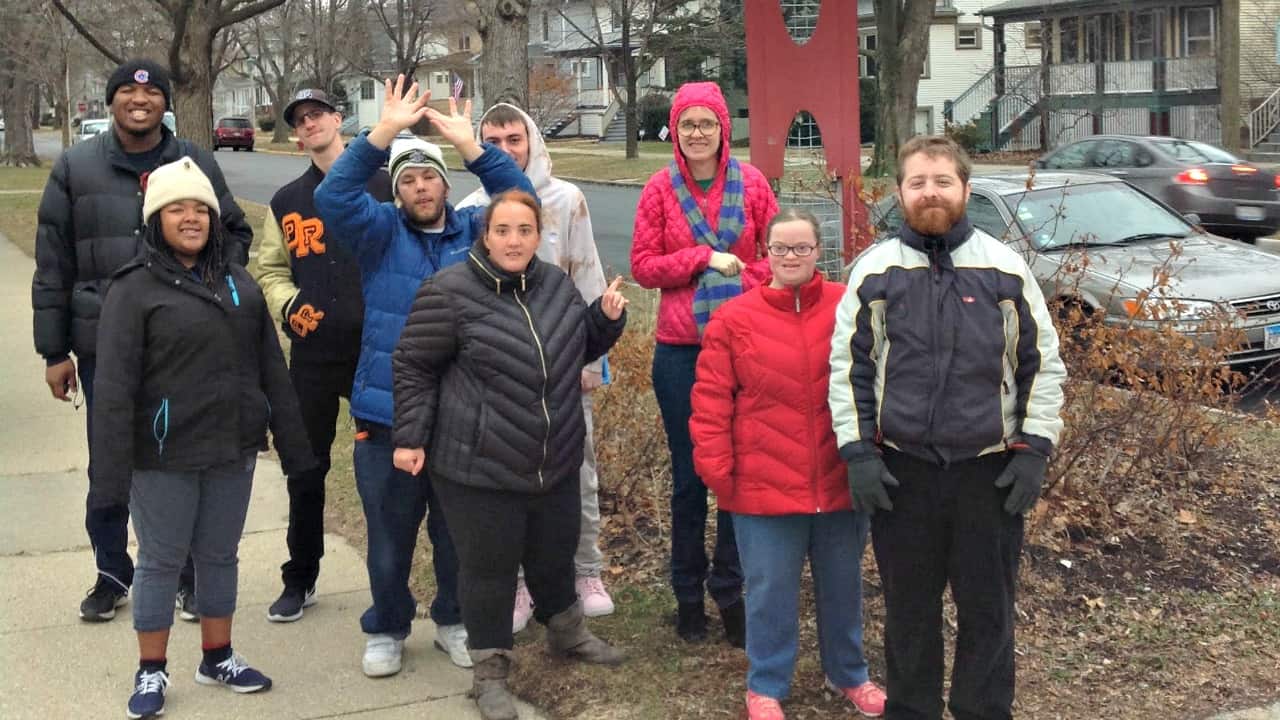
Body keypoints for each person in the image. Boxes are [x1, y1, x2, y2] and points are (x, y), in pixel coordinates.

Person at [829, 136, 1066, 720]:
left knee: (989, 611)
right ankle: (911, 710)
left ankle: (983, 710)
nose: (930, 192)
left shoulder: (1004, 269)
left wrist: (1034, 449)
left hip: (989, 474)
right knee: (909, 612)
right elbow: (849, 369)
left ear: (965, 188)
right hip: (901, 473)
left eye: (942, 181)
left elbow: (1041, 364)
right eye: (917, 183)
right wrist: (859, 453)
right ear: (900, 192)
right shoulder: (874, 271)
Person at [314, 75, 535, 678]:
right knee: (389, 535)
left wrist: (471, 147)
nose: (420, 187)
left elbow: (521, 200)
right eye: (408, 178)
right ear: (397, 188)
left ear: (445, 183)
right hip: (386, 413)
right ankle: (387, 626)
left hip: (462, 413)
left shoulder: (475, 233)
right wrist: (382, 133)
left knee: (456, 533)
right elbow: (334, 196)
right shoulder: (379, 233)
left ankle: (453, 620)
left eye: (429, 177)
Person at [89, 157, 314, 719]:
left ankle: (218, 656)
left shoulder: (239, 283)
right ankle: (151, 668)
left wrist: (295, 449)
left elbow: (272, 370)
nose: (191, 218)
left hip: (231, 448)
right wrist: (109, 482)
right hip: (163, 454)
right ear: (155, 219)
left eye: (201, 209)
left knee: (219, 556)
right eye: (176, 209)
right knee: (161, 561)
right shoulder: (132, 289)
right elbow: (113, 389)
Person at [392, 190, 627, 720]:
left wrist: (604, 320)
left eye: (525, 230)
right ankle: (490, 673)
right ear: (486, 235)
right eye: (503, 230)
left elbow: (573, 348)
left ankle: (566, 634)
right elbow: (413, 366)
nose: (514, 241)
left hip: (553, 458)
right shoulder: (449, 292)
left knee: (554, 554)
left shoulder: (556, 284)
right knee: (489, 571)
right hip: (480, 466)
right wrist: (409, 437)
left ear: (539, 234)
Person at [32, 58, 252, 623]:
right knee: (109, 459)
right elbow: (53, 263)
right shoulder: (76, 166)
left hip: (183, 348)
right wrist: (54, 351)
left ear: (165, 104)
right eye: (128, 92)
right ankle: (111, 572)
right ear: (112, 102)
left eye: (152, 93)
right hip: (104, 345)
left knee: (184, 459)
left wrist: (208, 290)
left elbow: (235, 232)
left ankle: (187, 576)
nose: (140, 100)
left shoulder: (194, 161)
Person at [690, 208, 887, 720]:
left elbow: (877, 382)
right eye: (781, 248)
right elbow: (711, 400)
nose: (791, 256)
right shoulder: (734, 319)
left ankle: (849, 673)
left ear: (819, 251)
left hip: (839, 479)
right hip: (763, 485)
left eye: (802, 247)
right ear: (767, 253)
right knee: (769, 592)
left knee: (843, 586)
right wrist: (717, 471)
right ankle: (766, 684)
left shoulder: (847, 306)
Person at [630, 80, 778, 645]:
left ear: (724, 128)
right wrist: (702, 259)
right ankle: (687, 595)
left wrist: (739, 277)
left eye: (707, 123)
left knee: (738, 475)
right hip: (681, 351)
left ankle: (731, 591)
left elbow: (777, 258)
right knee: (690, 478)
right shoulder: (660, 188)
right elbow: (644, 266)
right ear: (675, 130)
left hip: (744, 346)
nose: (697, 133)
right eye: (687, 124)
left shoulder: (753, 184)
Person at [456, 102, 614, 629]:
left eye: (514, 139)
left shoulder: (566, 200)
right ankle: (520, 584)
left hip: (564, 363)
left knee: (578, 472)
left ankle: (585, 571)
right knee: (509, 482)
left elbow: (587, 272)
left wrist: (593, 359)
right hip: (502, 372)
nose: (504, 150)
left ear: (532, 141)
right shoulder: (472, 208)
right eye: (492, 141)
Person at [255, 88, 394, 623]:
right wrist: (289, 305)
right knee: (305, 467)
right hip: (313, 356)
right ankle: (300, 577)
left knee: (383, 474)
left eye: (317, 115)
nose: (310, 124)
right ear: (296, 134)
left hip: (375, 351)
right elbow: (271, 269)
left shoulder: (384, 184)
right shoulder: (286, 200)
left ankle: (389, 585)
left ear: (339, 119)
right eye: (300, 120)